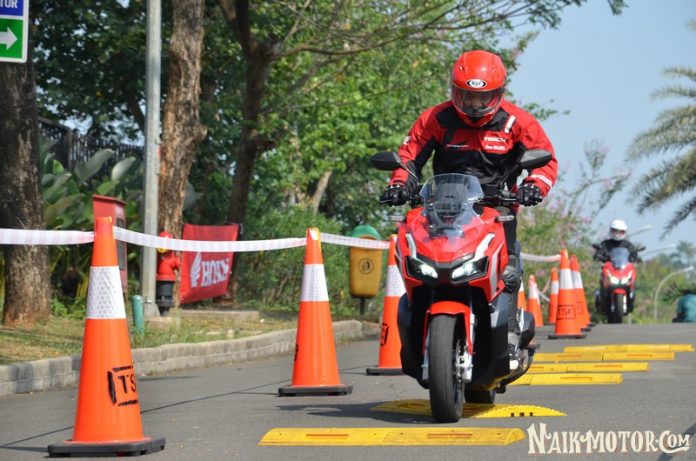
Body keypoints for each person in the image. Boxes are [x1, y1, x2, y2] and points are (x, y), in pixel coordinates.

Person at [380, 50, 558, 359]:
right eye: (466, 96)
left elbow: (546, 162)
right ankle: (419, 323)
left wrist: (532, 187)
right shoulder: (435, 118)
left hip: (497, 209)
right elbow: (409, 158)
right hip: (443, 209)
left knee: (508, 273)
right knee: (422, 263)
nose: (473, 105)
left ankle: (510, 334)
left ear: (498, 94)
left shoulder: (517, 121)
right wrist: (399, 184)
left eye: (482, 97)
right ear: (453, 91)